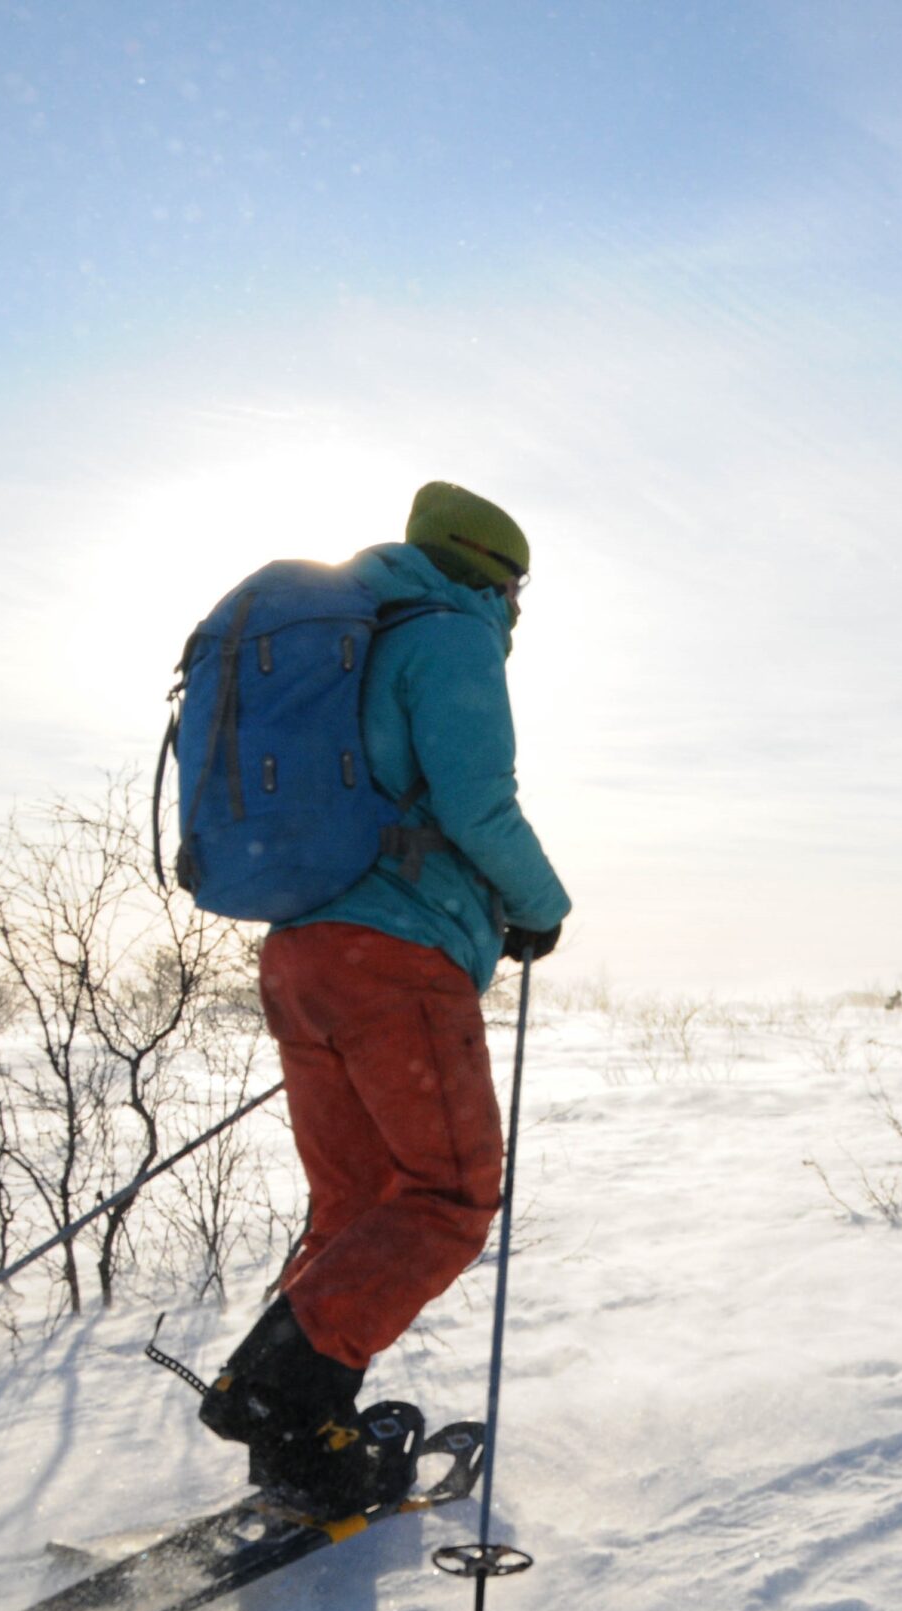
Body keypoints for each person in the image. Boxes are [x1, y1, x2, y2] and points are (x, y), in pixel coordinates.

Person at [198, 481, 572, 1514]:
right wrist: (540, 906)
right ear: (493, 578)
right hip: (395, 955)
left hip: (303, 952)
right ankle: (277, 1394)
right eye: (517, 589)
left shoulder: (350, 631)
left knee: (360, 1202)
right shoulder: (449, 634)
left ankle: (304, 1432)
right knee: (447, 1195)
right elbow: (478, 802)